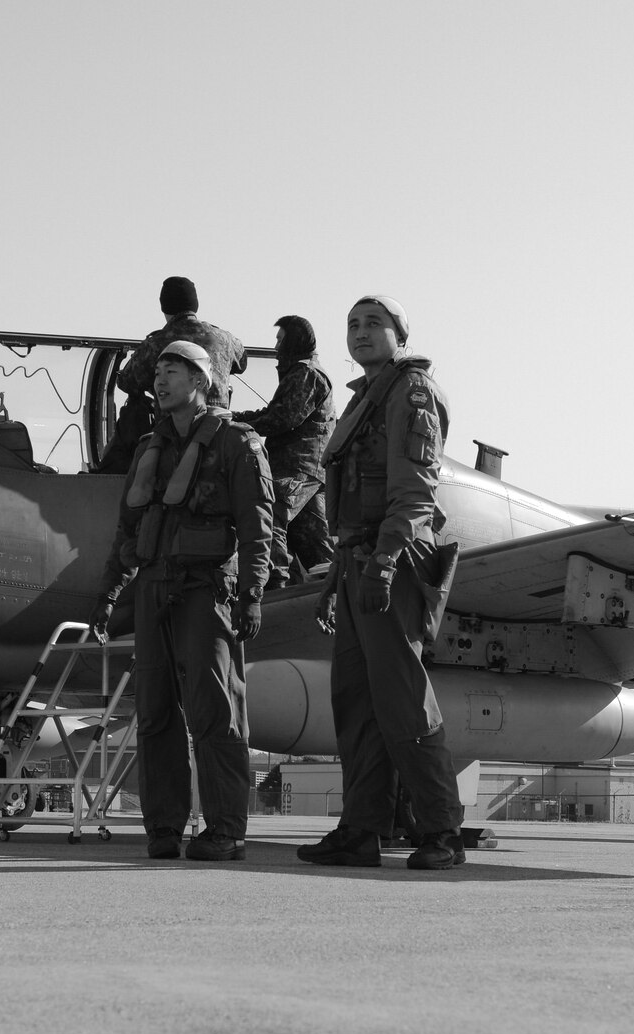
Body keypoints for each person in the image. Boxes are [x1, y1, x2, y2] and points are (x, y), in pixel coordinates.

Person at [297, 296, 466, 871]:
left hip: (391, 561)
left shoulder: (410, 394)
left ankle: (442, 831)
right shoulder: (367, 399)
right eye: (352, 324)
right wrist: (334, 580)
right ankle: (361, 830)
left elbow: (416, 494)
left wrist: (386, 562)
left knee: (402, 702)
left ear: (400, 334)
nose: (361, 332)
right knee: (357, 704)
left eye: (374, 323)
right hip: (356, 563)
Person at [93, 341, 273, 862]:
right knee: (153, 714)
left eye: (173, 371)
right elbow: (127, 531)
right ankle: (164, 828)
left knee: (215, 712)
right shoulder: (150, 447)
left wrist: (252, 595)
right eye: (159, 371)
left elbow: (258, 527)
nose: (161, 379)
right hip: (152, 588)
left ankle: (225, 830)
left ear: (201, 380)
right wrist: (107, 593)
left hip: (205, 589)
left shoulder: (238, 443)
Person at [98, 277, 247, 474]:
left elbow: (127, 382)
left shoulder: (158, 343)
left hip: (175, 440)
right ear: (195, 304)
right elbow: (242, 363)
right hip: (219, 434)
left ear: (163, 306)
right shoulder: (224, 339)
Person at [233, 315, 333, 587]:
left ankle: (275, 584)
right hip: (305, 467)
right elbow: (274, 413)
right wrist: (236, 418)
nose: (276, 347)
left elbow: (283, 418)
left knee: (271, 510)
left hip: (299, 467)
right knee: (312, 543)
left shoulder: (306, 374)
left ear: (294, 340)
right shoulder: (301, 373)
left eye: (280, 340)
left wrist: (237, 426)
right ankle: (326, 593)